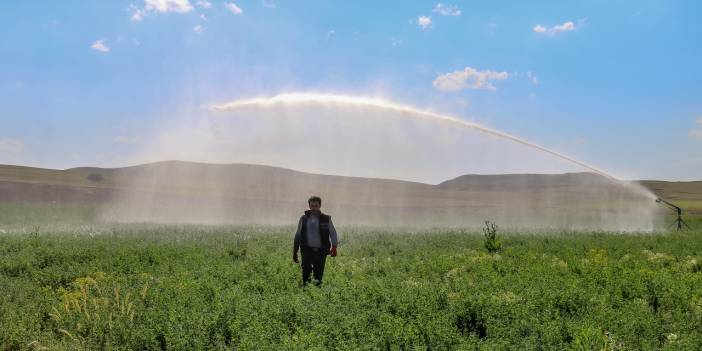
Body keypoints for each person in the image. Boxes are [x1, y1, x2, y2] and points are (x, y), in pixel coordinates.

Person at [293, 196, 338, 286]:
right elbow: (298, 235)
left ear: (320, 206)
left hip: (321, 251)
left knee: (318, 276)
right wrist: (295, 251)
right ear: (309, 206)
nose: (314, 208)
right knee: (306, 275)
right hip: (306, 250)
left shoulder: (326, 219)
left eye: (316, 206)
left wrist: (334, 247)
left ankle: (317, 293)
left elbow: (333, 233)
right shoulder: (303, 219)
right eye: (312, 205)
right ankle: (306, 292)